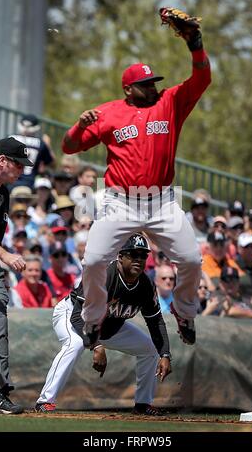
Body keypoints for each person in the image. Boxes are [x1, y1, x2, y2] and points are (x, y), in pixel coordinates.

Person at [62, 22, 211, 345]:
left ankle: (184, 313)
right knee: (95, 260)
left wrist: (195, 44)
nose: (152, 87)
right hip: (121, 202)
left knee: (190, 259)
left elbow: (202, 79)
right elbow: (69, 147)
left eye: (153, 81)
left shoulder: (170, 103)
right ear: (128, 89)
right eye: (145, 84)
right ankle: (92, 318)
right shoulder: (108, 113)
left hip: (161, 201)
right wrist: (78, 126)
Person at [35, 234, 172, 415]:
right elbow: (78, 316)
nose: (138, 259)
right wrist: (96, 344)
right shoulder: (102, 276)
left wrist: (165, 353)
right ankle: (45, 401)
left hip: (109, 326)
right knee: (74, 344)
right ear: (121, 256)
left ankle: (143, 404)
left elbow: (156, 322)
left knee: (149, 349)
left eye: (143, 255)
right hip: (72, 315)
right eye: (133, 254)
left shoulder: (145, 286)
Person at [0, 136, 33, 414]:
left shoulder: (5, 192)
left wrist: (0, 258)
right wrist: (4, 254)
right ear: (2, 161)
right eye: (18, 165)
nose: (22, 171)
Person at [12, 114, 55, 189]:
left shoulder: (10, 138)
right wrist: (48, 145)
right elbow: (51, 163)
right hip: (29, 181)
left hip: (11, 180)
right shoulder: (41, 143)